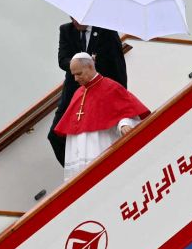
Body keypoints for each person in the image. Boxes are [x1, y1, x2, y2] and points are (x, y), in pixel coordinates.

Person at [54, 53, 149, 181]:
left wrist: (124, 124)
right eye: (74, 75)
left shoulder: (110, 87)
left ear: (90, 67)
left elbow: (126, 111)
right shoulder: (78, 93)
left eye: (79, 73)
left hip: (102, 149)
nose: (76, 79)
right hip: (81, 160)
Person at [48, 18, 127, 166]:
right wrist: (80, 62)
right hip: (73, 91)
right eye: (71, 18)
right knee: (55, 136)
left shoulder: (106, 31)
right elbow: (62, 59)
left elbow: (117, 65)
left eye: (77, 18)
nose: (74, 22)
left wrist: (121, 96)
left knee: (99, 135)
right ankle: (74, 174)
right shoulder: (66, 30)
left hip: (100, 90)